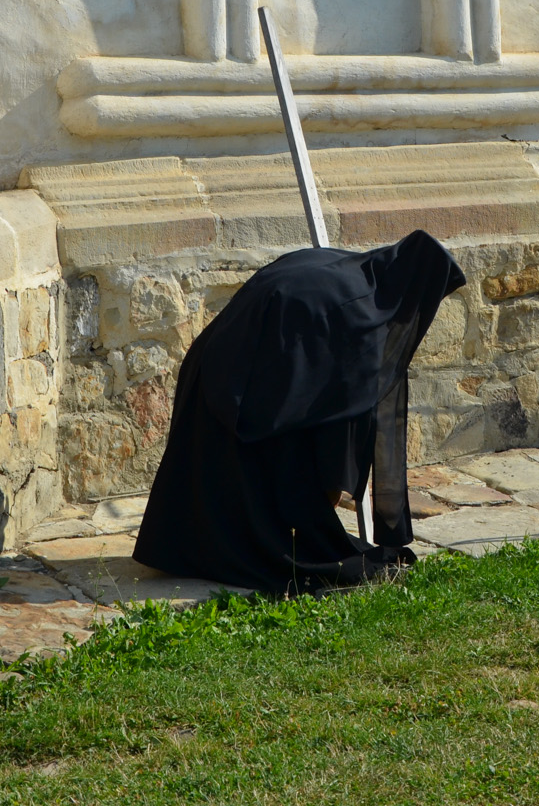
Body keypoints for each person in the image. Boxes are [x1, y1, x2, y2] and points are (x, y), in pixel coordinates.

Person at [133, 229, 465, 594]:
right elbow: (344, 415)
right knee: (263, 491)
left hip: (216, 360)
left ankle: (186, 546)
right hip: (239, 379)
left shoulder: (348, 269)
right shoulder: (359, 309)